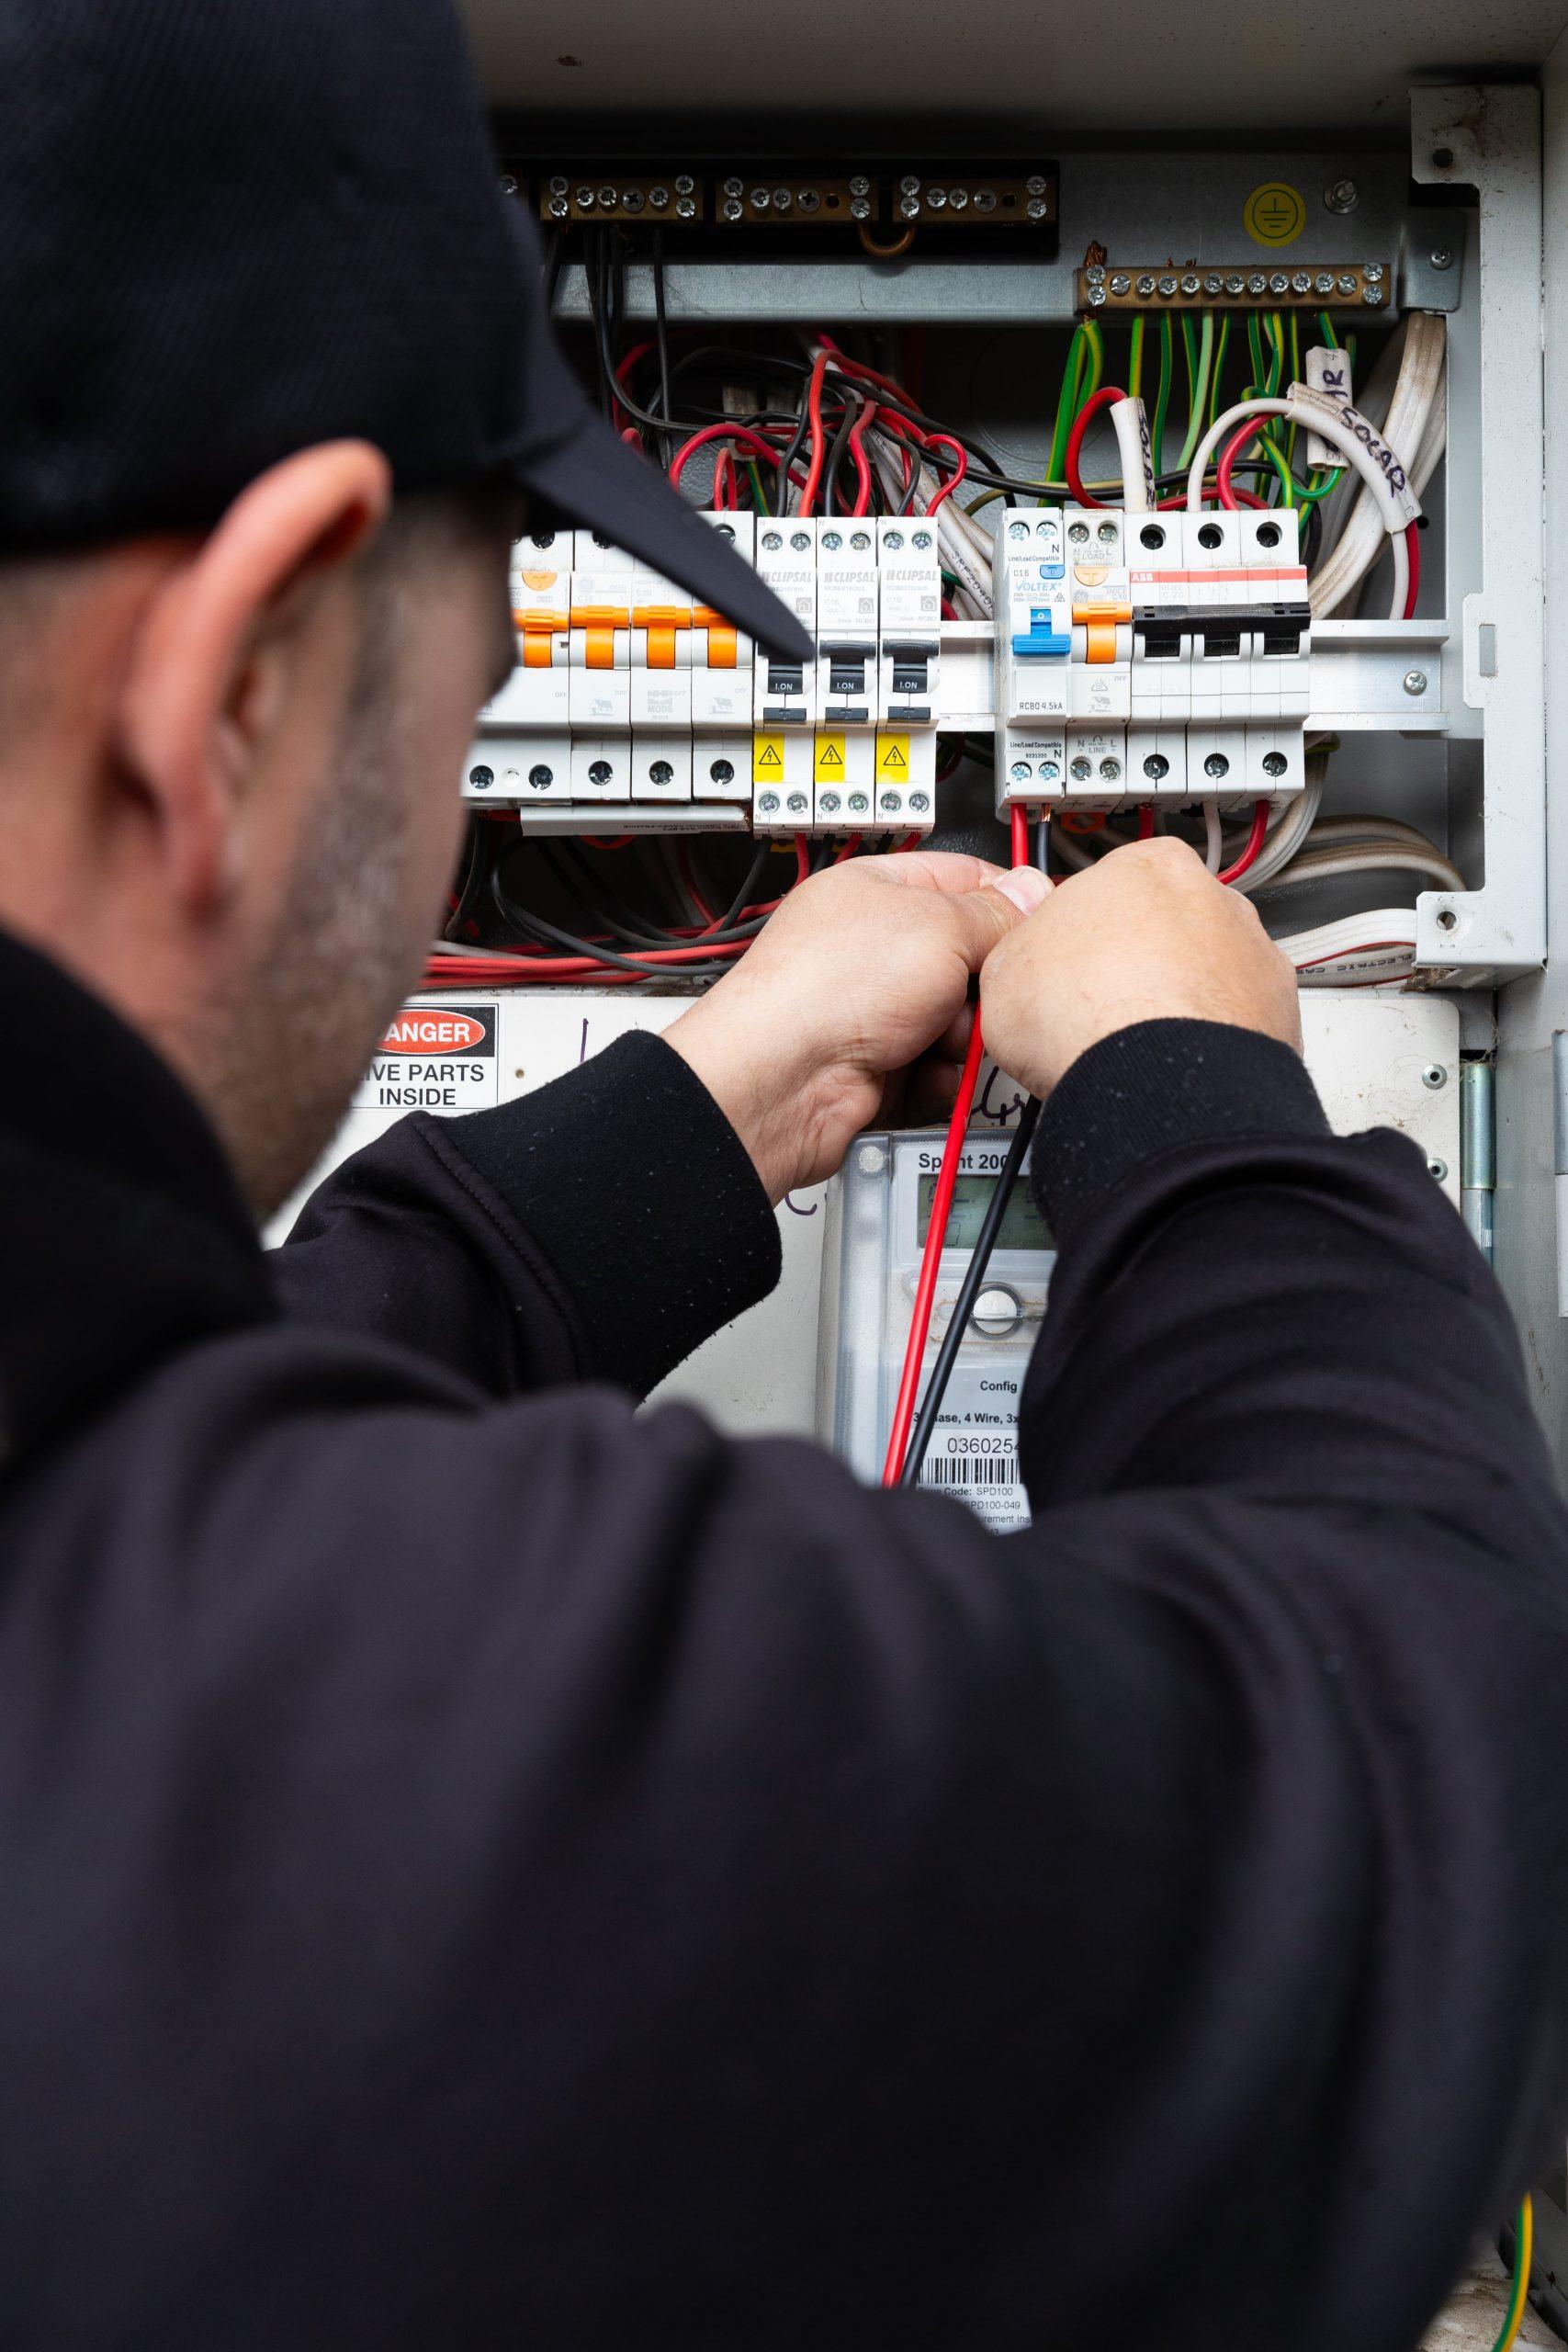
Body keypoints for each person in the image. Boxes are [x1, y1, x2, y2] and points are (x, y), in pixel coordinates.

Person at [2, 5, 1566, 2348]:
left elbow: (171, 1429)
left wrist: (690, 1109)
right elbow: (1428, 1759)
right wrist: (1190, 1094)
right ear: (227, 683)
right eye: (486, 647)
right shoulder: (406, 1770)